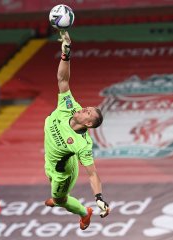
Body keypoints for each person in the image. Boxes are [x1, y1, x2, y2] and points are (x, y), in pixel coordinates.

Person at [44, 30, 110, 230]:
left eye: (88, 112)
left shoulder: (83, 144)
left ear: (88, 124)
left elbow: (92, 173)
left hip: (64, 170)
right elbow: (62, 80)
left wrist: (99, 198)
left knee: (60, 198)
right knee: (50, 179)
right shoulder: (69, 105)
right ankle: (57, 195)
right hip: (52, 156)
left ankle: (84, 213)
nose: (84, 108)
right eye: (87, 107)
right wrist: (66, 52)